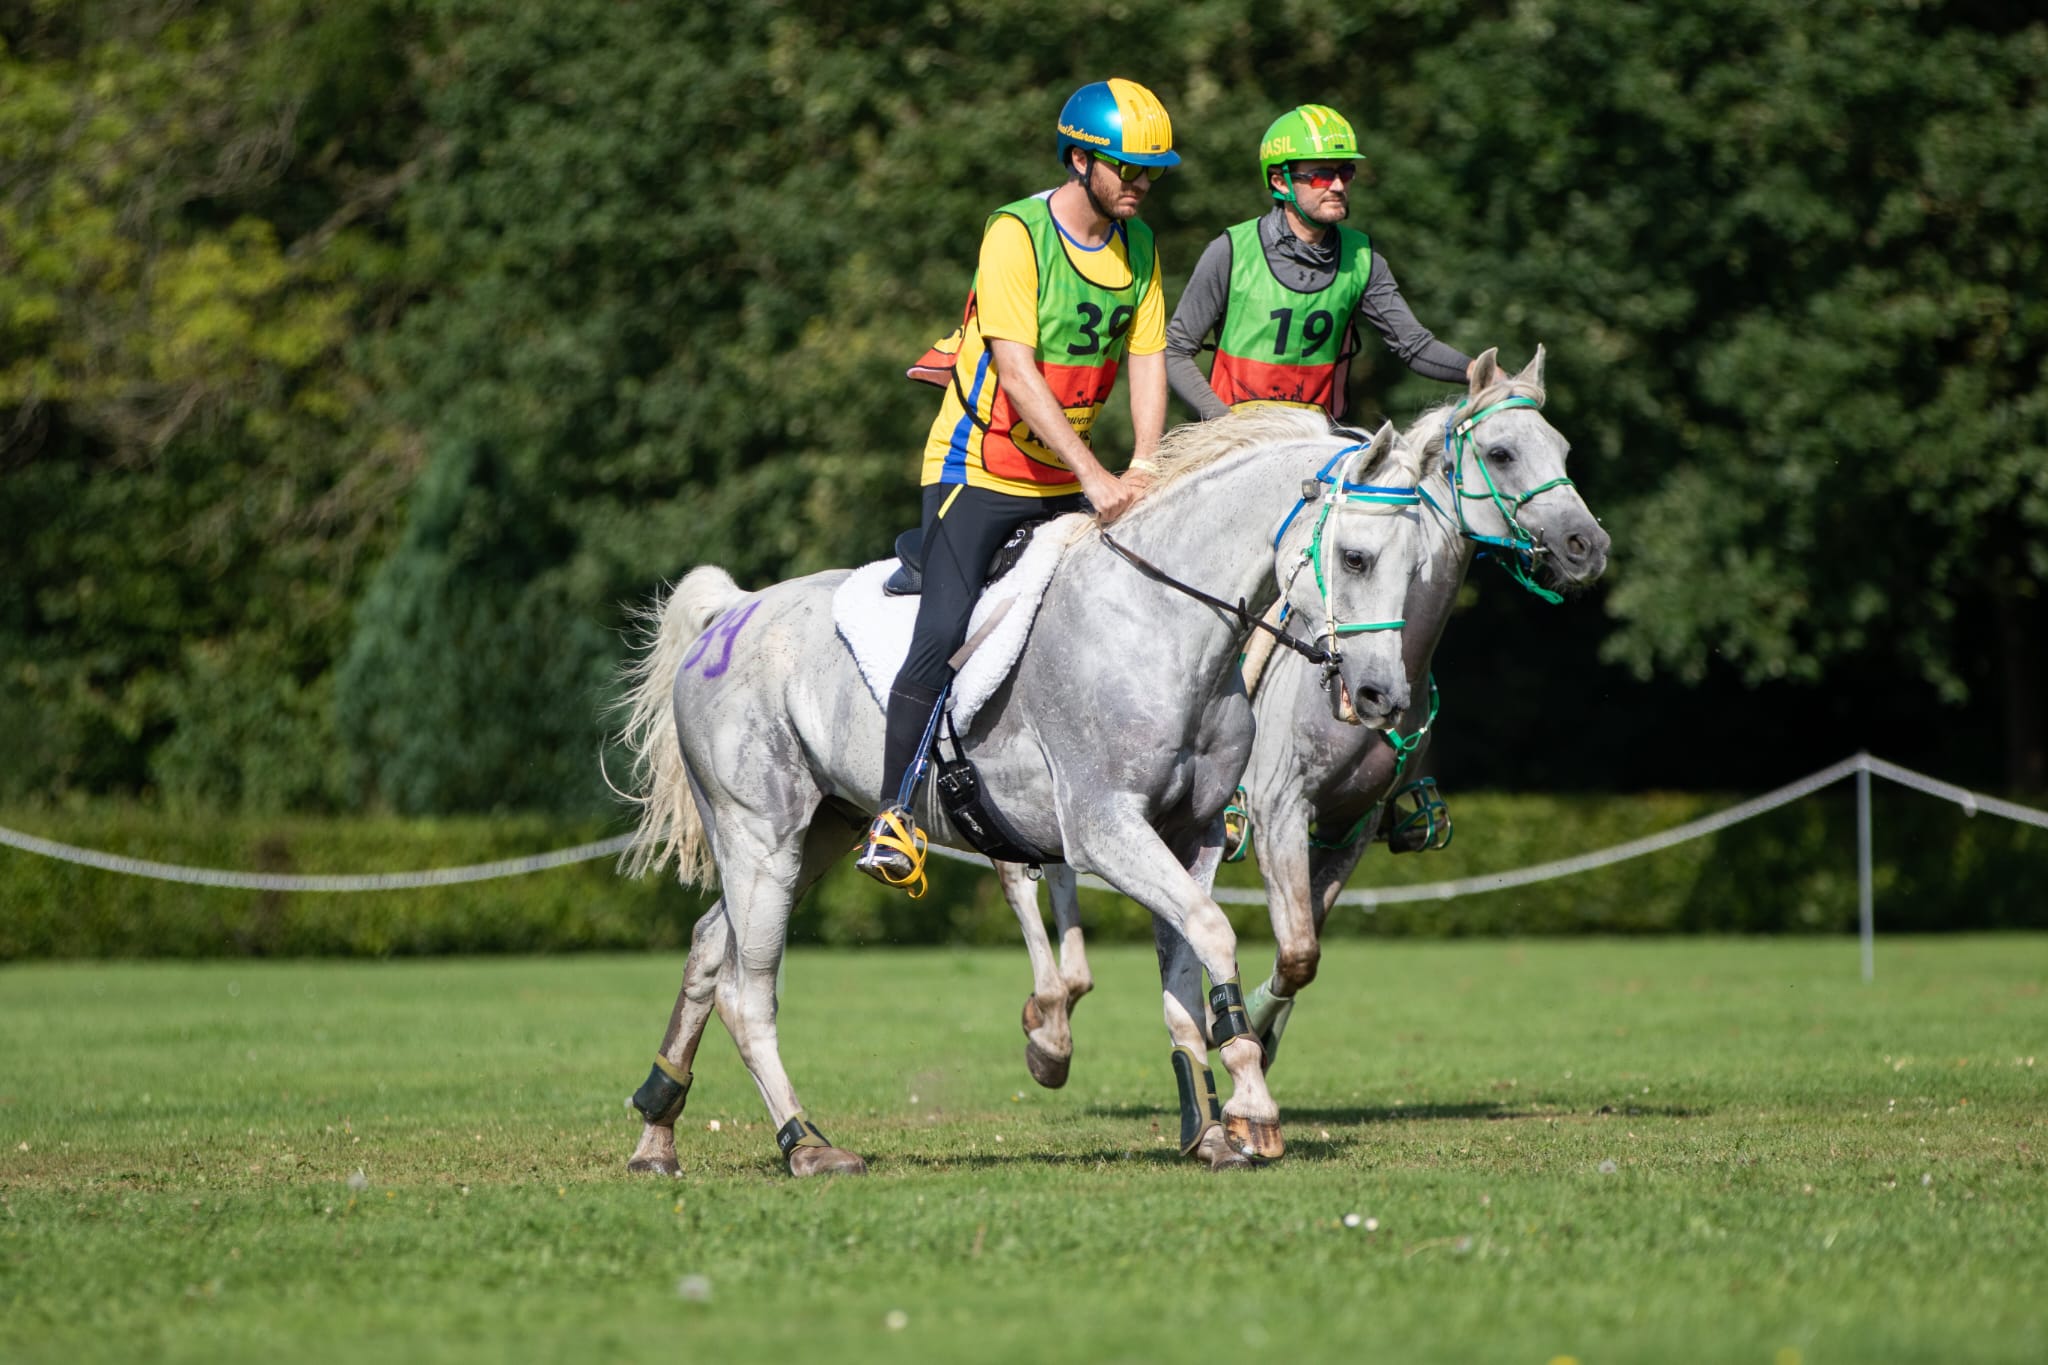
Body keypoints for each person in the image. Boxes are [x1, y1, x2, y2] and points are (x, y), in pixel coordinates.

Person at [856, 78, 1177, 891]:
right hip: (981, 468)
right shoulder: (1016, 233)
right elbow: (1018, 374)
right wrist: (1098, 475)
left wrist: (1144, 460)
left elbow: (1147, 360)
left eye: (1150, 173)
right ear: (1080, 161)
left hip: (1074, 474)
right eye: (1128, 170)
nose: (1142, 185)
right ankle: (894, 816)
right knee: (941, 635)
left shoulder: (1139, 247)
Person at [1165, 103, 1478, 420]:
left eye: (1345, 172)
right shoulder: (1229, 251)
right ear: (1280, 182)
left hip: (1318, 443)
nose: (1339, 186)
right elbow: (1175, 350)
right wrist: (1222, 422)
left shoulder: (1364, 259)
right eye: (1321, 176)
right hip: (1235, 441)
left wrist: (1479, 372)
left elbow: (1415, 347)